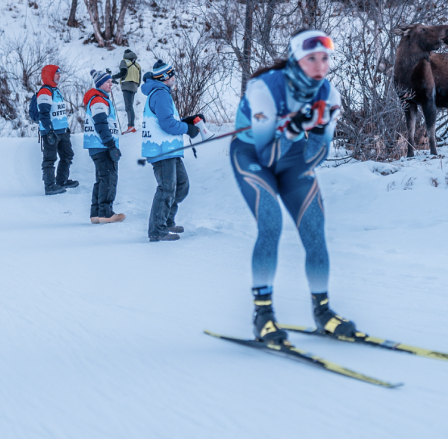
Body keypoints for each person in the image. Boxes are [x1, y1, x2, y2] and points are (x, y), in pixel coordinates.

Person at [230, 30, 349, 343]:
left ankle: (323, 311)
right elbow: (265, 154)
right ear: (296, 58)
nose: (320, 65)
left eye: (325, 58)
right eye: (312, 58)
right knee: (271, 224)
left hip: (294, 159)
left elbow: (315, 158)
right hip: (253, 156)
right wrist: (293, 127)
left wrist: (320, 128)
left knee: (314, 229)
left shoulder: (329, 94)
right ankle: (263, 315)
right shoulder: (263, 89)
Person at [140, 60, 202, 242]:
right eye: (172, 74)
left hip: (170, 149)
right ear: (166, 77)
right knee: (166, 188)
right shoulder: (160, 93)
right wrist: (187, 129)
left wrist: (187, 121)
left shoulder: (162, 93)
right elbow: (167, 124)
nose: (175, 77)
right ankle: (157, 230)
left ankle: (166, 221)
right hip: (161, 149)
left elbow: (168, 119)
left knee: (181, 185)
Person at [83, 70, 124, 224]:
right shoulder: (99, 100)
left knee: (101, 179)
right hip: (102, 145)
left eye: (111, 81)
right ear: (100, 84)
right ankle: (106, 213)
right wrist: (111, 145)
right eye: (107, 82)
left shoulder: (99, 99)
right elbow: (101, 124)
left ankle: (96, 213)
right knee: (108, 178)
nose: (110, 84)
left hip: (98, 145)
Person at [30, 64, 78, 195]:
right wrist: (49, 131)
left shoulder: (56, 90)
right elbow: (44, 114)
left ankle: (62, 181)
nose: (59, 75)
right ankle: (50, 185)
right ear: (49, 75)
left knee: (67, 155)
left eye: (59, 73)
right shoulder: (45, 91)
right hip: (51, 132)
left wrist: (66, 128)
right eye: (56, 73)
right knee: (50, 159)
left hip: (62, 131)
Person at [111, 48, 142, 133]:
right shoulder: (137, 65)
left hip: (126, 85)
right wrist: (136, 85)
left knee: (128, 107)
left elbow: (123, 73)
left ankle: (131, 127)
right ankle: (131, 126)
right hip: (134, 86)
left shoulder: (124, 61)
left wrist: (112, 77)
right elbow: (139, 78)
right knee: (130, 106)